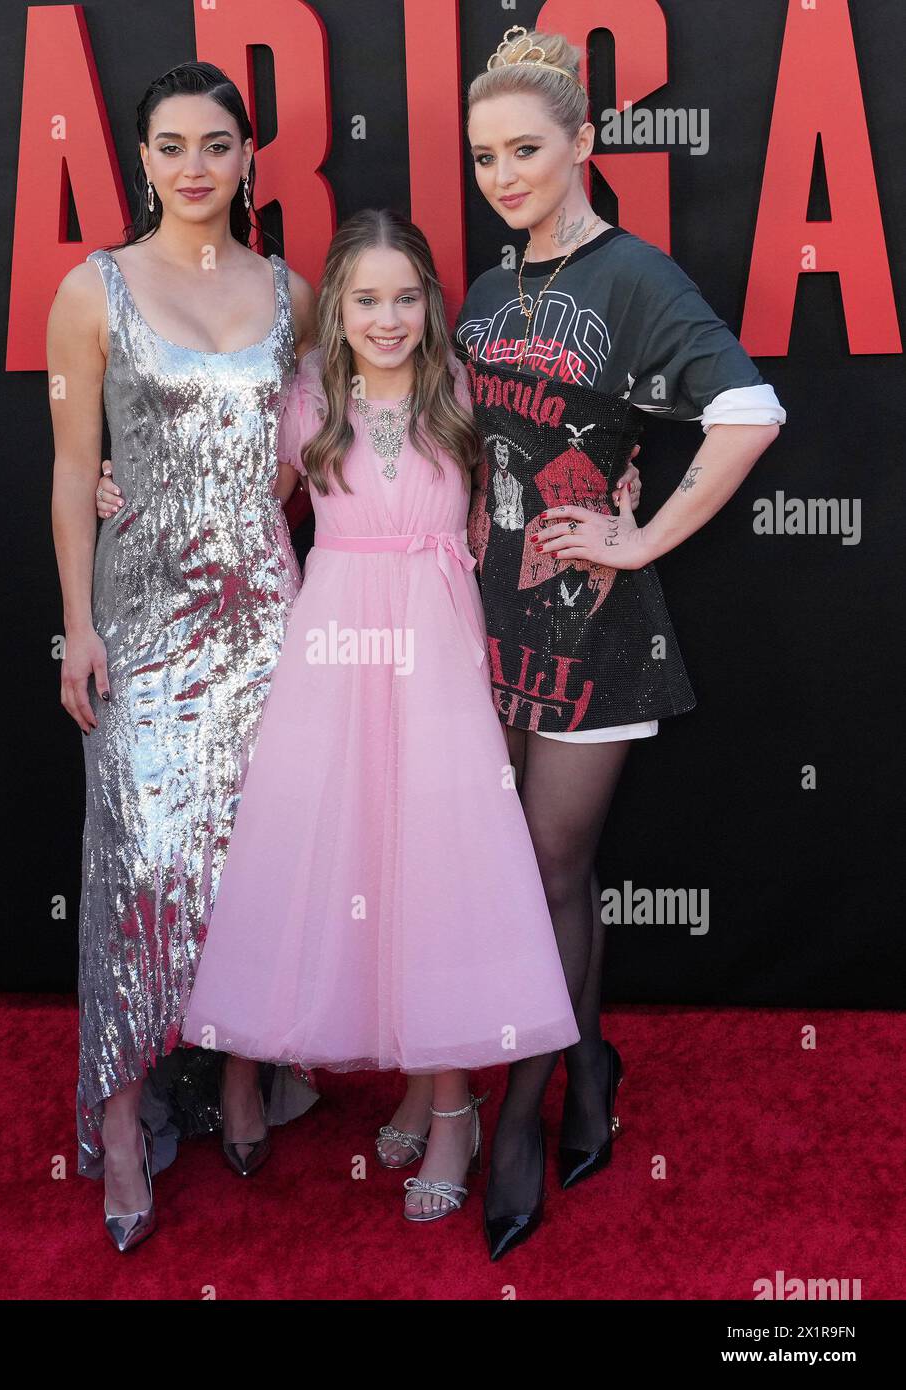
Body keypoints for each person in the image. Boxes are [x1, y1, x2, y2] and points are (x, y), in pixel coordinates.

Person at [449, 25, 786, 1258]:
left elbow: (746, 410)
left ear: (581, 143)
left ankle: (525, 1118)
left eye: (524, 149)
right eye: (483, 155)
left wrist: (643, 542)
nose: (501, 173)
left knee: (547, 865)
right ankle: (588, 1061)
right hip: (490, 612)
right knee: (531, 874)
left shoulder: (633, 277)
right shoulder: (489, 291)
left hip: (592, 627)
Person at [178, 208, 583, 1222]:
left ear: (430, 304)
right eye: (365, 298)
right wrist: (124, 495)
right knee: (365, 866)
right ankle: (415, 1075)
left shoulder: (462, 392)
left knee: (435, 869)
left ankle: (454, 1109)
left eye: (406, 297)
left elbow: (544, 484)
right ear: (337, 309)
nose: (387, 317)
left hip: (437, 653)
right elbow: (246, 510)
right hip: (337, 652)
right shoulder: (308, 399)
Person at [47, 60, 319, 1253]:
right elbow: (69, 466)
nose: (195, 166)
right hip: (142, 622)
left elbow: (309, 455)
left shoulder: (293, 293)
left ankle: (248, 1078)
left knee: (257, 858)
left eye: (217, 143)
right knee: (137, 865)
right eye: (170, 145)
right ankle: (118, 1118)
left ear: (248, 156)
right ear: (141, 160)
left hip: (265, 614)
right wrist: (80, 620)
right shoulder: (89, 290)